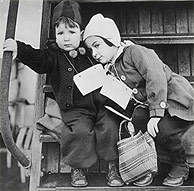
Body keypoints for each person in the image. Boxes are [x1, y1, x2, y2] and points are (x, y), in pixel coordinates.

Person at [3, 2, 124, 187]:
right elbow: (39, 59)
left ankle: (112, 166)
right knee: (79, 131)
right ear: (55, 35)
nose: (66, 38)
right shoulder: (53, 56)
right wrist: (20, 48)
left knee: (109, 126)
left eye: (71, 32)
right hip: (76, 109)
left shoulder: (91, 52)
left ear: (81, 34)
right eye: (60, 33)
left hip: (101, 105)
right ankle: (78, 168)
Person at [83, 13, 194, 187]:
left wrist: (156, 113)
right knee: (138, 121)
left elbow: (155, 76)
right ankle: (148, 167)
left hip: (173, 99)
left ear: (111, 39)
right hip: (148, 105)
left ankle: (181, 166)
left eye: (97, 45)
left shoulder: (134, 52)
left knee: (163, 128)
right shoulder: (111, 68)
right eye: (91, 50)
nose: (94, 53)